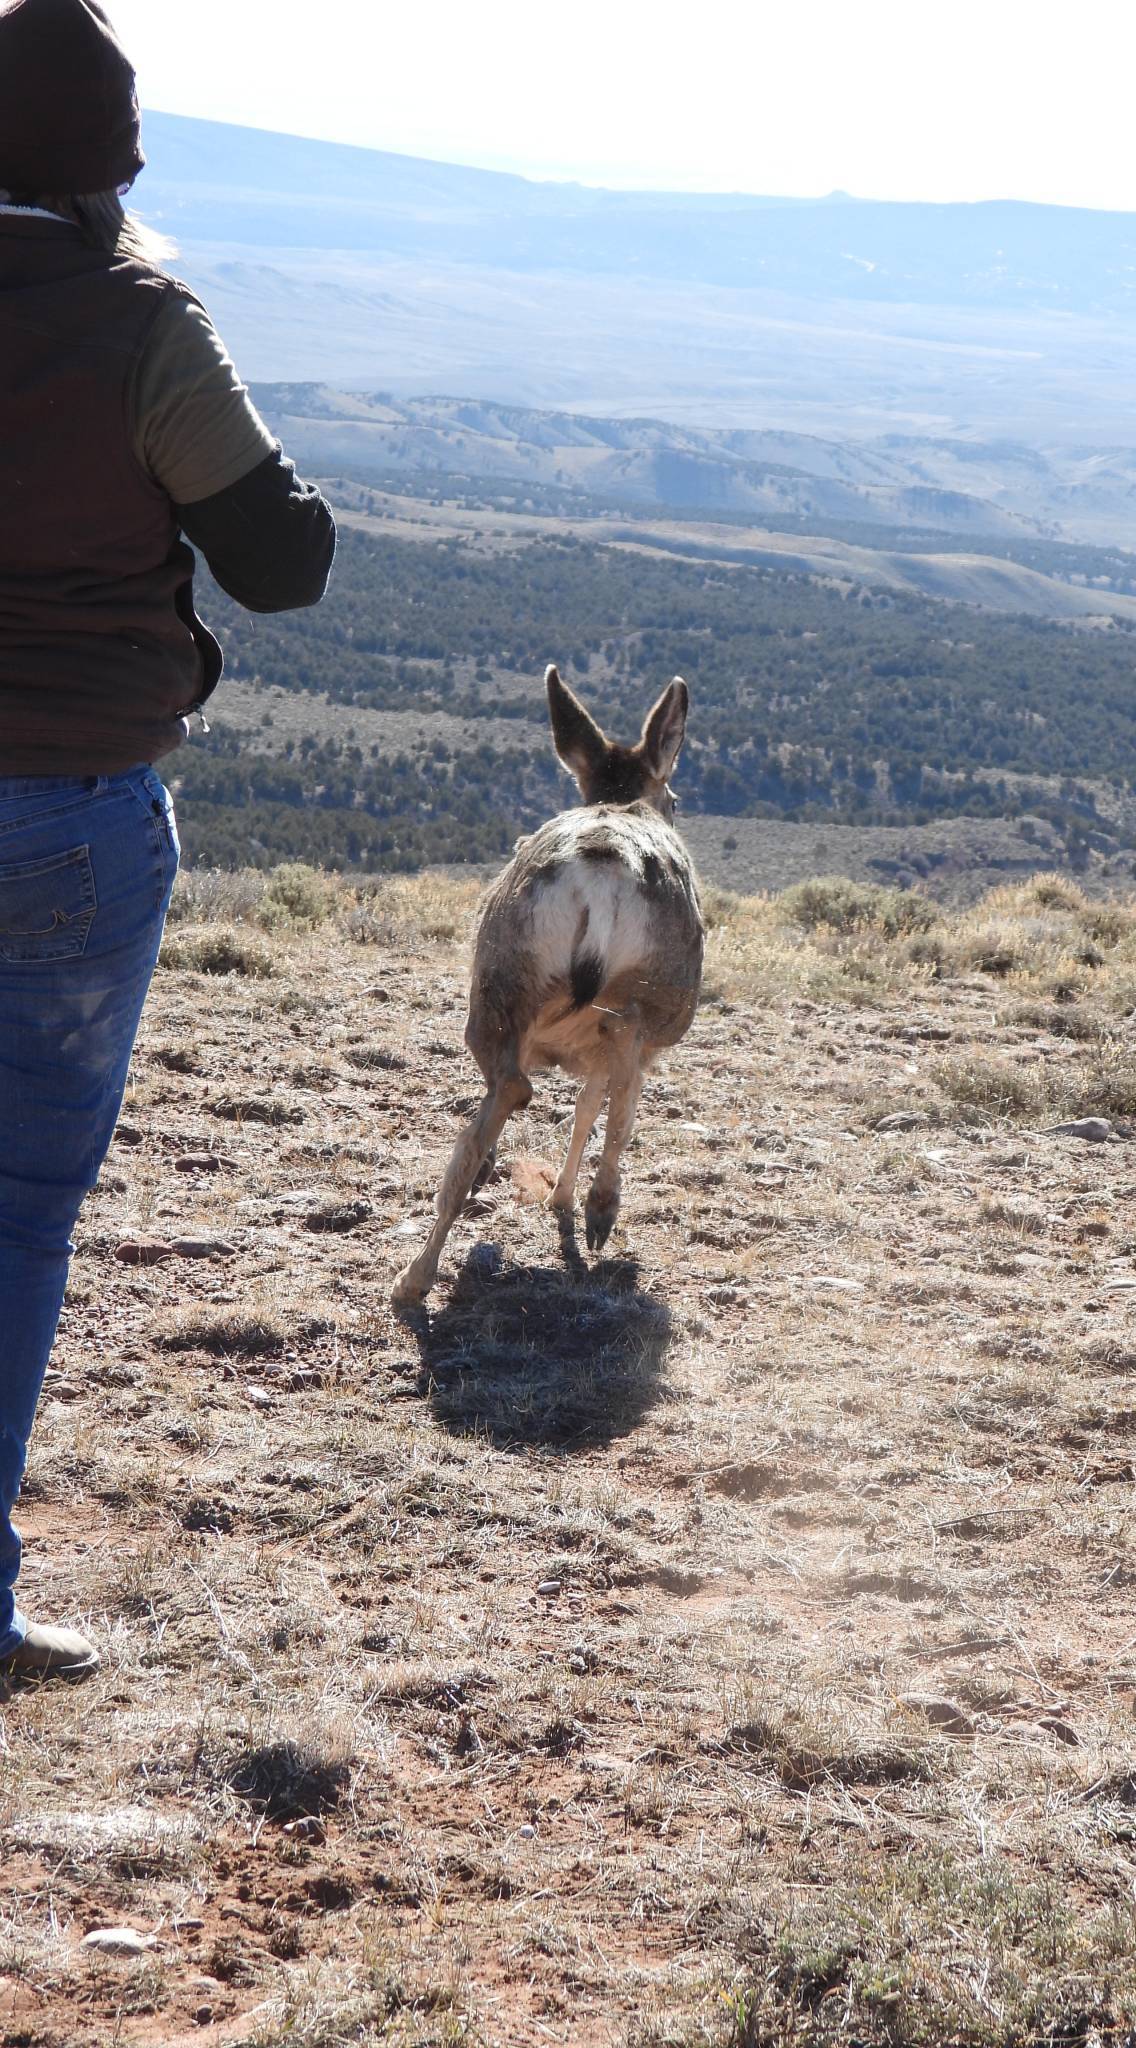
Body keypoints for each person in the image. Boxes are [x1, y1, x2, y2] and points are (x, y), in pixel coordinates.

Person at [0, 0, 337, 1680]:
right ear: (108, 167)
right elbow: (283, 561)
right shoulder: (141, 322)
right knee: (11, 1213)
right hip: (60, 819)